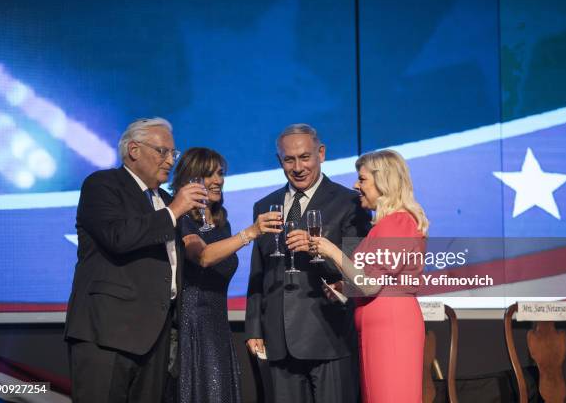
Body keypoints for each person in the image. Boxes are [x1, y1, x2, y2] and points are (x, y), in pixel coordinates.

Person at [64, 118, 207, 403]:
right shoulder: (102, 185)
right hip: (108, 333)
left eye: (173, 153)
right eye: (162, 151)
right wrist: (174, 210)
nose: (170, 160)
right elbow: (119, 237)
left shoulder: (165, 199)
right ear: (133, 149)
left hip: (156, 337)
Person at [245, 124, 371, 403]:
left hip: (330, 336)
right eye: (290, 159)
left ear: (321, 153)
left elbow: (360, 272)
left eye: (305, 157)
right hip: (278, 339)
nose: (298, 167)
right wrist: (254, 327)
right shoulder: (265, 205)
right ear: (280, 161)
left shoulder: (350, 203)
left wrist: (322, 249)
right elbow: (259, 271)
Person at [309, 149, 428, 403]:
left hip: (391, 327)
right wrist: (343, 286)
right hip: (379, 326)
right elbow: (370, 279)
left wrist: (331, 250)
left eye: (362, 179)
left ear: (383, 182)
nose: (355, 185)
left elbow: (371, 285)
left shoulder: (398, 223)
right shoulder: (385, 226)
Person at [168, 147, 282, 403]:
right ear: (191, 179)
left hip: (218, 327)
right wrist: (250, 233)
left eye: (220, 173)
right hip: (191, 328)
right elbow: (204, 257)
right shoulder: (181, 217)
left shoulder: (221, 222)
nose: (218, 180)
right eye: (209, 174)